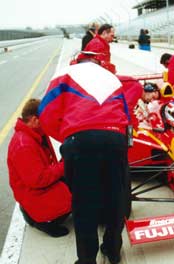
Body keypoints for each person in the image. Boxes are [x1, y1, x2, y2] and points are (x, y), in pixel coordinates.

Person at [39, 47, 131, 264]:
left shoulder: (65, 75)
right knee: (115, 200)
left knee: (84, 204)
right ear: (98, 63)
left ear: (76, 62)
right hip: (114, 139)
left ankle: (87, 259)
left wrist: (67, 137)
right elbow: (126, 117)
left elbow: (45, 113)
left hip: (80, 143)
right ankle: (112, 249)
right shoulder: (111, 79)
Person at [7, 99, 71, 237]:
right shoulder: (24, 146)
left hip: (35, 188)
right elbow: (38, 179)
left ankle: (37, 214)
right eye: (46, 119)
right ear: (35, 120)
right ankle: (43, 222)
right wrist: (65, 165)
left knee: (72, 179)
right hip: (34, 192)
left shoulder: (35, 133)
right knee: (75, 195)